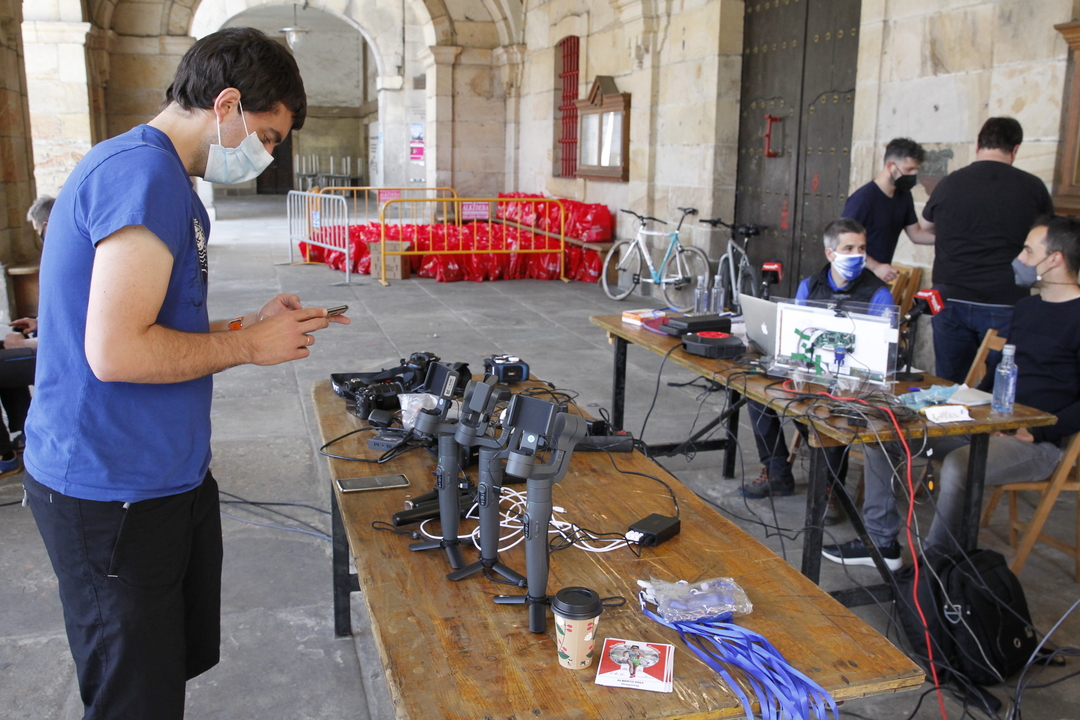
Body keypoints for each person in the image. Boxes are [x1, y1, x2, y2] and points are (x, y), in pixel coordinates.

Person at [22, 28, 348, 720]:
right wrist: (250, 349)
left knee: (161, 676)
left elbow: (154, 321)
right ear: (225, 105)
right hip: (111, 487)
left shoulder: (165, 180)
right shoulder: (140, 176)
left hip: (162, 478)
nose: (267, 154)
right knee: (133, 697)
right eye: (266, 135)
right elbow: (117, 352)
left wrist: (242, 327)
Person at [823, 216, 1080, 570]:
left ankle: (937, 566)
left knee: (960, 465)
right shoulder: (1027, 308)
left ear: (1055, 259)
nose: (1019, 258)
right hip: (988, 422)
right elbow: (1000, 369)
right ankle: (881, 544)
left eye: (1027, 251)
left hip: (1038, 442)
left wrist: (1038, 432)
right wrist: (967, 402)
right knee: (884, 431)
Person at [741, 218, 894, 518]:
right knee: (755, 390)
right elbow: (794, 333)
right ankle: (776, 471)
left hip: (853, 383)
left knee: (829, 410)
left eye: (861, 248)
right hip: (810, 373)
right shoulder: (809, 286)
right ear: (829, 253)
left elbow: (883, 355)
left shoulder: (878, 293)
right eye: (848, 248)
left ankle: (830, 488)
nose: (857, 255)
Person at [921, 117, 1053, 383]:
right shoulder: (1032, 186)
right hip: (1003, 298)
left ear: (978, 145)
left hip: (950, 296)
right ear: (1015, 149)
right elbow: (1046, 238)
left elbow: (926, 225)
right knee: (997, 385)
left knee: (949, 384)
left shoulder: (949, 183)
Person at [0, 197, 53, 472]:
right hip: (45, 344)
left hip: (57, 355)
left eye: (37, 231)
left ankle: (4, 455)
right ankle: (23, 434)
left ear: (47, 225)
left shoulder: (68, 256)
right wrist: (37, 323)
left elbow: (73, 331)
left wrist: (26, 342)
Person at [842, 138, 935, 283]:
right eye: (909, 169)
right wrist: (876, 267)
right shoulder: (862, 199)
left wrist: (948, 239)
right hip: (852, 281)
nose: (913, 175)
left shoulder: (904, 196)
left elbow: (916, 234)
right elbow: (843, 244)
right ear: (891, 166)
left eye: (916, 170)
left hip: (877, 282)